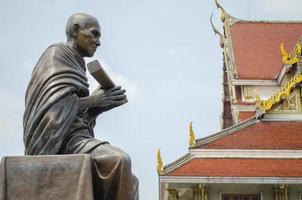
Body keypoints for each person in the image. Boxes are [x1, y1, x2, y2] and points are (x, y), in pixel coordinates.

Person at [23, 13, 138, 200]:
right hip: (62, 143)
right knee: (120, 160)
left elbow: (75, 114)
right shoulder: (56, 55)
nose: (98, 42)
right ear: (76, 30)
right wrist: (95, 101)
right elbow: (51, 109)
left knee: (131, 181)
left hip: (77, 138)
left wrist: (96, 109)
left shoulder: (77, 63)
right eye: (94, 34)